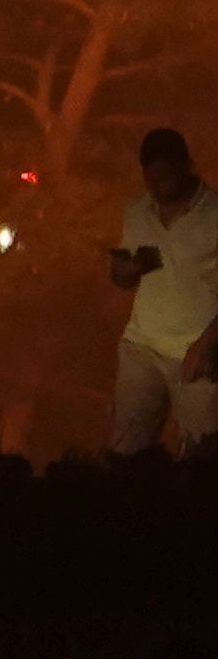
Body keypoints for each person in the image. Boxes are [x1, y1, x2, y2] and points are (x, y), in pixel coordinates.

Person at [106, 126, 218, 455]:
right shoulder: (137, 211)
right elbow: (124, 280)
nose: (159, 188)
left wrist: (210, 342)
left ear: (186, 166)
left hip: (196, 352)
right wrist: (123, 273)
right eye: (152, 181)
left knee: (201, 457)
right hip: (141, 347)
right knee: (126, 451)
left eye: (166, 178)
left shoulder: (214, 216)